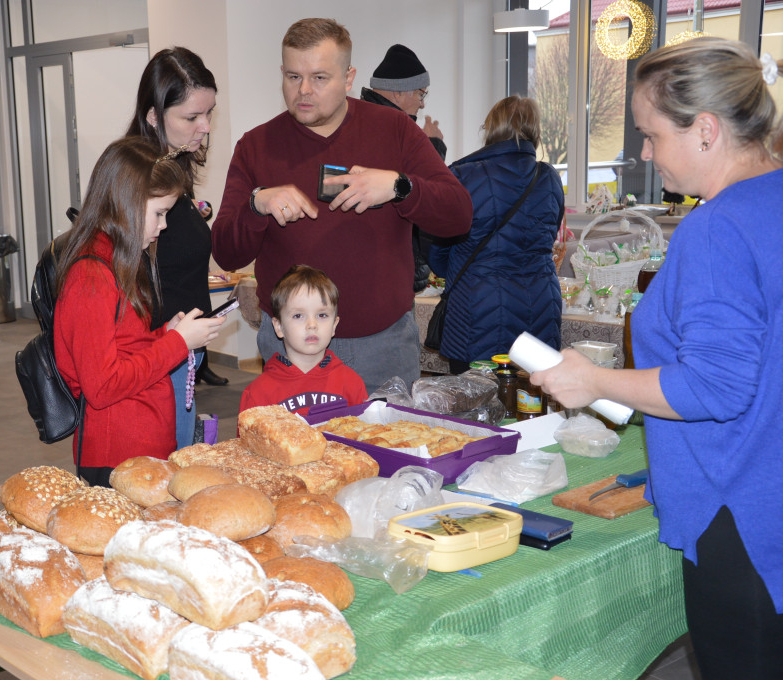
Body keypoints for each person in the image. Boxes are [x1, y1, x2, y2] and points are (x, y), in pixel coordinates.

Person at [531, 38, 783, 678]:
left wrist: (591, 380)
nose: (645, 153)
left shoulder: (716, 227)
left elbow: (717, 387)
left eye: (650, 135)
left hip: (740, 513)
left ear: (705, 131)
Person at [212, 18, 472, 395]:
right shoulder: (256, 146)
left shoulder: (395, 130)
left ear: (349, 78)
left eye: (319, 78)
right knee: (291, 453)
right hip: (290, 350)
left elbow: (459, 215)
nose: (304, 90)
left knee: (388, 452)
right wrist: (256, 204)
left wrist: (400, 187)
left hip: (382, 346)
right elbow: (225, 252)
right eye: (292, 76)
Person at [53, 137, 226, 487]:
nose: (163, 226)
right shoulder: (90, 276)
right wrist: (176, 344)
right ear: (125, 204)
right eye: (159, 213)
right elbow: (102, 386)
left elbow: (125, 346)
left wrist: (163, 334)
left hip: (140, 445)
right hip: (116, 455)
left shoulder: (115, 262)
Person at [126, 46, 228, 451]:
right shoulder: (138, 180)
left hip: (179, 351)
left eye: (209, 113)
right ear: (153, 116)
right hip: (157, 357)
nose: (204, 127)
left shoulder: (173, 171)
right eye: (191, 117)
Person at [428, 95, 563, 374]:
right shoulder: (549, 177)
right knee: (532, 400)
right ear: (534, 131)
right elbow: (547, 237)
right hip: (540, 302)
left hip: (477, 307)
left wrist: (458, 266)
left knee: (474, 404)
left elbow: (437, 251)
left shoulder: (463, 176)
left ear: (491, 129)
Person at [360, 43, 447, 295]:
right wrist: (433, 147)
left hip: (383, 268)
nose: (422, 105)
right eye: (421, 94)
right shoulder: (387, 129)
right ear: (398, 93)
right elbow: (421, 192)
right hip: (387, 269)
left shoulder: (369, 121)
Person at [239, 265, 367, 416]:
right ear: (278, 326)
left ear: (334, 325)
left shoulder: (352, 384)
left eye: (322, 315)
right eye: (298, 316)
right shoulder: (258, 393)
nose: (312, 325)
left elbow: (363, 436)